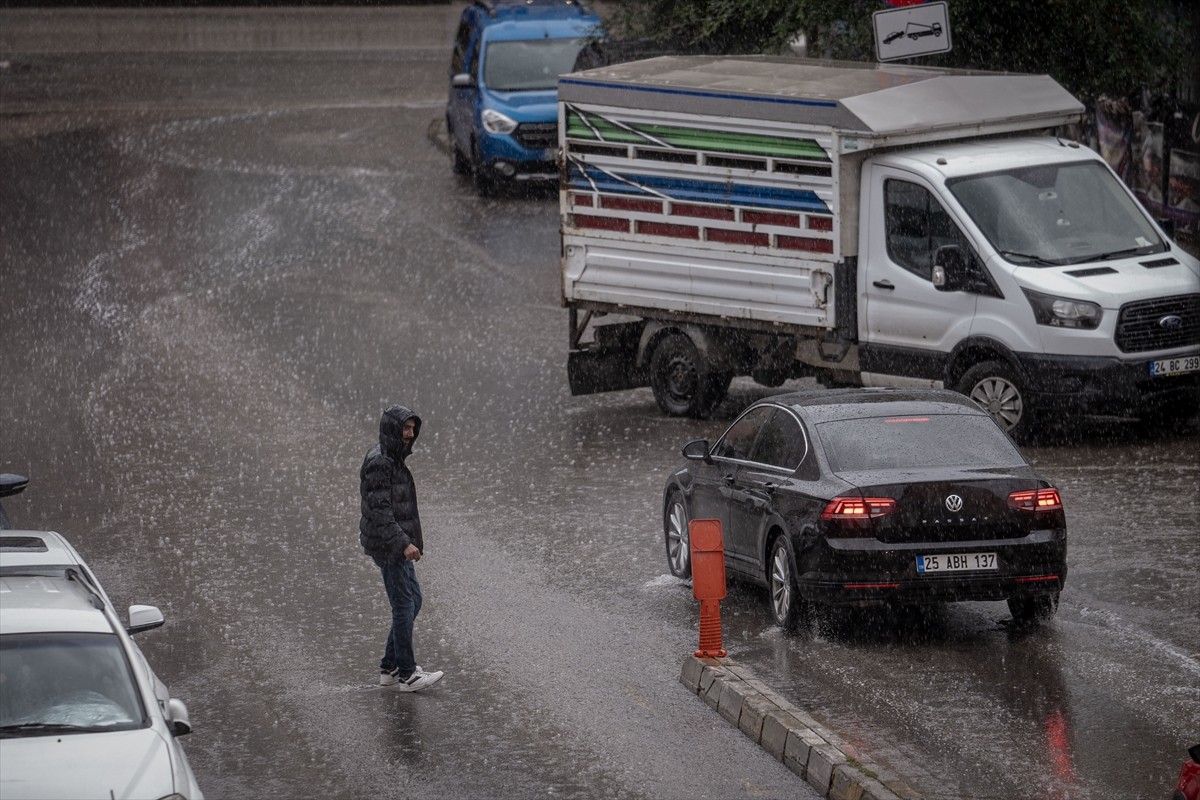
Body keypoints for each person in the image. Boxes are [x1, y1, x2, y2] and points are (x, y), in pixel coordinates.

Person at [359, 404, 444, 692]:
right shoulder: (381, 462)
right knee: (404, 606)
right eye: (405, 428)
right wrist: (403, 542)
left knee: (413, 601)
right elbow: (381, 511)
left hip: (392, 542)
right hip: (389, 546)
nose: (410, 434)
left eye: (412, 428)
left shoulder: (390, 456)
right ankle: (407, 675)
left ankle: (390, 666)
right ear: (392, 429)